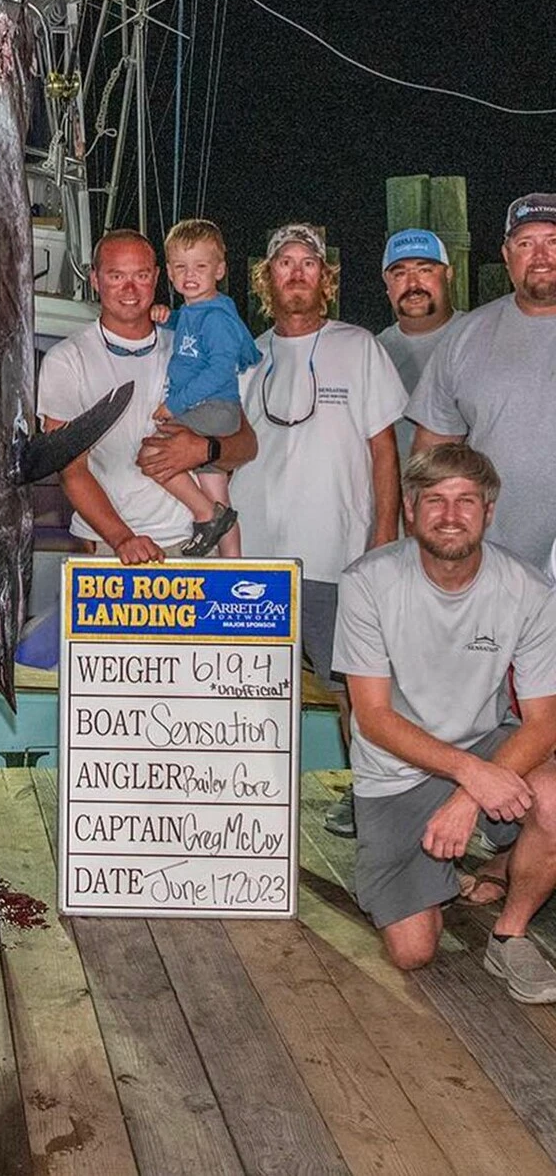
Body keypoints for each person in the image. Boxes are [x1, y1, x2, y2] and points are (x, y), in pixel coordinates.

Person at [334, 443, 556, 1001]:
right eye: (434, 500)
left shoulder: (530, 589)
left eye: (466, 501)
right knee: (413, 951)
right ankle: (449, 867)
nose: (451, 515)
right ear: (410, 510)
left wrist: (468, 793)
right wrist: (471, 776)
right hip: (396, 769)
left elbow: (543, 724)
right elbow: (374, 718)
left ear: (489, 511)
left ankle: (510, 933)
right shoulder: (367, 582)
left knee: (554, 798)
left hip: (484, 745)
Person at [231, 222, 405, 839]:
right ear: (266, 279)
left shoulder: (359, 347)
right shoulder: (245, 355)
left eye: (309, 262)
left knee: (352, 688)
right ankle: (248, 795)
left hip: (337, 557)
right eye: (285, 262)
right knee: (252, 685)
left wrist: (383, 541)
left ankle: (369, 795)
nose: (297, 272)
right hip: (255, 561)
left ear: (326, 278)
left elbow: (384, 451)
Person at [38, 229, 256, 565]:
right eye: (116, 276)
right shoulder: (66, 360)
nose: (129, 289)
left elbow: (246, 444)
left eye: (140, 276)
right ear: (95, 279)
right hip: (112, 548)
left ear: (156, 277)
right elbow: (71, 470)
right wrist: (122, 538)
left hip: (193, 543)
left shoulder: (189, 345)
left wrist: (205, 450)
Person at [409, 194, 556, 572]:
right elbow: (431, 458)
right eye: (526, 244)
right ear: (507, 255)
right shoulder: (466, 336)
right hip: (493, 562)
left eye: (553, 242)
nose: (541, 257)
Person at [151, 218, 260, 557]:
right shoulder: (195, 311)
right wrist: (167, 317)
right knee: (219, 496)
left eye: (200, 266)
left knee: (153, 454)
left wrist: (174, 405)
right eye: (180, 267)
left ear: (219, 270)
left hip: (212, 409)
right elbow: (185, 325)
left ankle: (206, 516)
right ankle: (232, 564)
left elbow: (219, 370)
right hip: (212, 409)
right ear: (169, 272)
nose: (190, 275)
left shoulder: (216, 319)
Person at [375, 229, 465, 461]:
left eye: (425, 270)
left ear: (449, 274)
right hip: (398, 483)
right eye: (399, 274)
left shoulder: (478, 336)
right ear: (386, 283)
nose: (413, 284)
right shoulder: (373, 354)